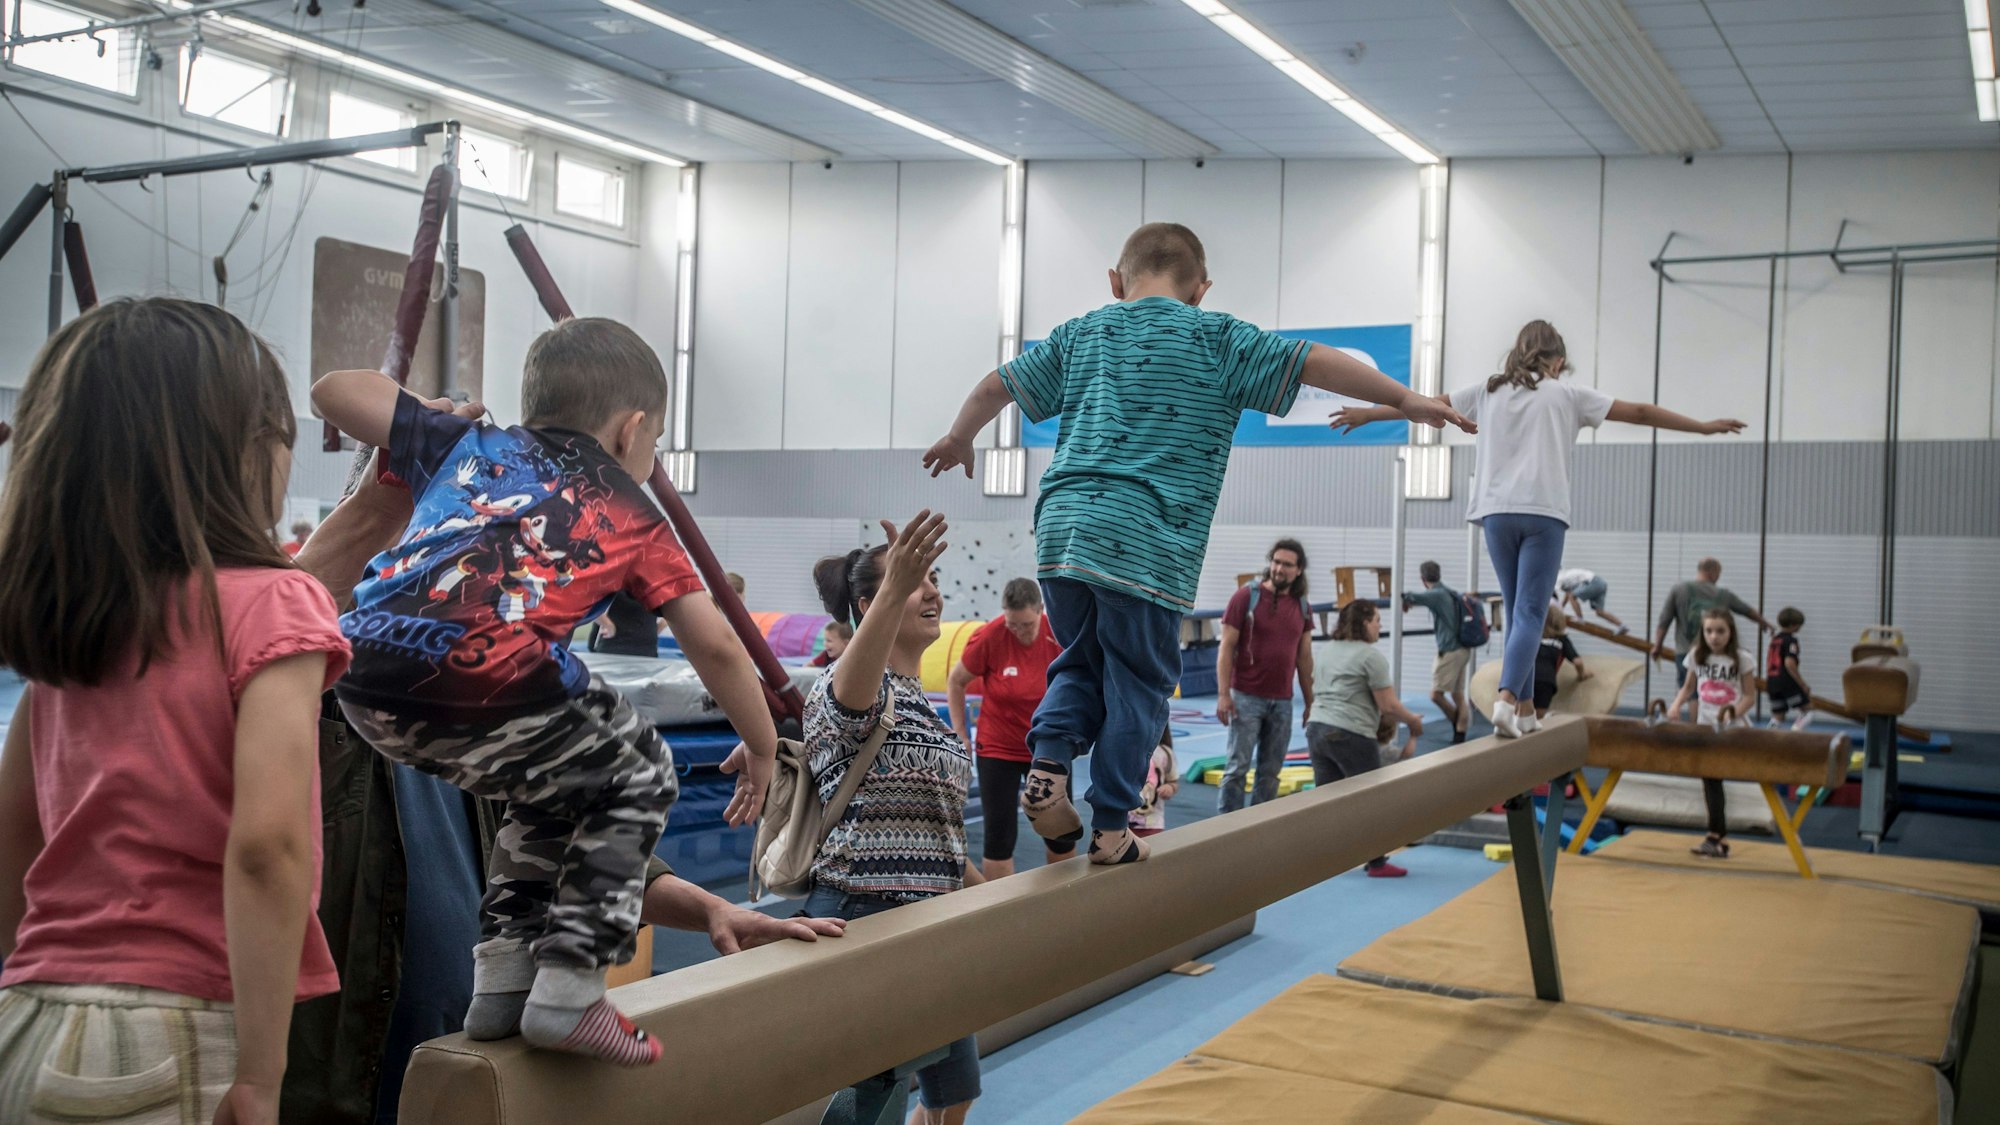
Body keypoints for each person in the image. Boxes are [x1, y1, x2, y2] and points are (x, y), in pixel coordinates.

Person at [283, 426, 845, 1123]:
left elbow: (576, 833)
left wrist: (709, 909)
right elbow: (267, 630)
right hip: (344, 1068)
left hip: (461, 1049)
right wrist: (373, 514)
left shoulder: (483, 707)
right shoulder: (305, 696)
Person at [924, 222, 1472, 864]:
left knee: (1080, 659)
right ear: (1200, 290)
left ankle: (1046, 766)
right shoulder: (1215, 336)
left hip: (1063, 529)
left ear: (1114, 280)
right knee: (1139, 679)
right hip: (1147, 538)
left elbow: (999, 385)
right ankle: (1109, 826)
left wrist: (962, 435)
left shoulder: (1083, 332)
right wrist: (1405, 398)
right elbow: (1314, 359)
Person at [312, 317, 780, 1067]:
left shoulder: (470, 447)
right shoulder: (632, 511)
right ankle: (571, 989)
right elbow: (718, 643)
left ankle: (501, 981)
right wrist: (760, 744)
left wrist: (428, 414)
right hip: (482, 668)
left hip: (362, 668)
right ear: (631, 431)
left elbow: (331, 391)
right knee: (641, 767)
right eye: (655, 443)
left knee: (545, 788)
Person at [0, 298, 352, 1124]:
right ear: (237, 451)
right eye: (277, 435)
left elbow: (14, 826)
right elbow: (267, 844)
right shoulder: (275, 603)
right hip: (169, 1028)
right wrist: (263, 1074)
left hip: (27, 1019)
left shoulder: (82, 619)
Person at [1335, 319, 1742, 739]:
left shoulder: (1487, 390)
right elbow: (1638, 412)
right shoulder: (1567, 394)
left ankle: (1526, 708)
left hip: (1495, 513)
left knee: (1517, 612)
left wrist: (1369, 413)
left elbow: (1423, 403)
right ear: (1559, 360)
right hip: (1543, 514)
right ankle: (1507, 700)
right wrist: (1703, 426)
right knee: (1532, 611)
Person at [805, 514, 980, 1124]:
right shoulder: (850, 686)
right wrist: (891, 587)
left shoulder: (924, 708)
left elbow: (942, 831)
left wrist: (1001, 896)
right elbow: (852, 699)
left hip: (935, 915)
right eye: (914, 581)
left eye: (934, 578)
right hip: (867, 911)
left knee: (955, 1086)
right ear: (869, 602)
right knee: (873, 1095)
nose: (932, 591)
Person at [948, 578, 1073, 879]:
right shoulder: (991, 636)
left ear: (1041, 611)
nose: (1018, 631)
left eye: (1026, 624)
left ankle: (1066, 899)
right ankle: (1000, 912)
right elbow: (956, 681)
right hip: (997, 748)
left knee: (1060, 832)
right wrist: (960, 732)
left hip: (1046, 748)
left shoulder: (1059, 634)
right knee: (1000, 835)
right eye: (1012, 624)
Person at [1303, 601, 1424, 878]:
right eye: (1377, 620)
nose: (1380, 625)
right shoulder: (1370, 656)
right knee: (1373, 799)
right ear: (1363, 623)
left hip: (1317, 729)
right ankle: (1377, 862)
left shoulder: (1327, 650)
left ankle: (1323, 859)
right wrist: (1413, 722)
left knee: (1327, 801)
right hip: (1350, 733)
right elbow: (1389, 706)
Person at [1215, 540, 1315, 813]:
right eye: (1276, 561)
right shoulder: (1246, 597)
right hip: (1246, 697)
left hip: (1282, 702)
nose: (1279, 569)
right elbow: (1226, 647)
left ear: (1299, 570)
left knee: (1270, 772)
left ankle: (1258, 827)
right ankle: (1226, 828)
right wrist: (1224, 694)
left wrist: (1310, 703)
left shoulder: (1303, 606)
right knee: (1237, 768)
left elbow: (1304, 659)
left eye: (1287, 564)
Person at [1668, 609, 1757, 859]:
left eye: (1720, 631)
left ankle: (1717, 836)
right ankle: (1717, 838)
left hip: (1733, 729)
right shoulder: (1697, 656)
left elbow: (1750, 696)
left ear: (1730, 632)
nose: (1714, 637)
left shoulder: (1742, 659)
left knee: (1713, 778)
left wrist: (1732, 713)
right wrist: (1676, 705)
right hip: (1707, 726)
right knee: (1710, 778)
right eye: (1709, 631)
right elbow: (1688, 688)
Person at [1652, 558, 1777, 678]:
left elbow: (1664, 621)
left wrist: (1658, 646)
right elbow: (1746, 610)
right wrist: (1765, 624)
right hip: (1716, 654)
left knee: (1689, 691)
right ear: (1712, 572)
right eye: (1718, 573)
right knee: (1714, 690)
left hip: (1685, 652)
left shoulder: (1679, 590)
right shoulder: (1724, 595)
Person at [1401, 560, 1471, 744]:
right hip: (1463, 649)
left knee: (1435, 694)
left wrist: (1402, 599)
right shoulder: (1450, 592)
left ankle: (1457, 722)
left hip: (1450, 650)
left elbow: (1411, 596)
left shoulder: (1437, 594)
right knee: (1457, 694)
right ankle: (1460, 733)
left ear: (1423, 579)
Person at [1532, 613, 1592, 719]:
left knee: (1523, 713)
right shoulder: (1561, 639)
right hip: (1546, 680)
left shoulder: (1533, 635)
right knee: (1539, 717)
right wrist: (1582, 674)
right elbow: (1578, 662)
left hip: (1527, 677)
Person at [1766, 607, 1812, 729]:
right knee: (1807, 711)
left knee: (1778, 715)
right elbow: (1789, 663)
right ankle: (1795, 732)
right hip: (1786, 681)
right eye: (1799, 625)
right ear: (1793, 625)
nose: (1799, 628)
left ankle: (1769, 738)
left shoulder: (1775, 640)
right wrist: (1802, 684)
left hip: (1772, 681)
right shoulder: (1791, 641)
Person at [1129, 726, 1178, 839]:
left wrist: (1170, 787)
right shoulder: (1126, 749)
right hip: (1123, 823)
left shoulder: (1165, 753)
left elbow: (1173, 781)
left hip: (1152, 823)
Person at [1555, 567, 1624, 631]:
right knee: (1599, 612)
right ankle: (1621, 625)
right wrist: (1560, 609)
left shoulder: (1559, 578)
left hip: (1593, 582)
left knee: (1572, 596)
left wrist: (1554, 610)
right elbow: (1567, 596)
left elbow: (1553, 594)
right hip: (1601, 583)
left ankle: (1579, 618)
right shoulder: (1567, 578)